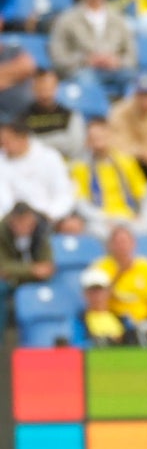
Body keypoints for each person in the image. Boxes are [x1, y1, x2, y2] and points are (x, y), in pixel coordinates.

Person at [48, 0, 137, 100]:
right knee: (86, 80)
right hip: (84, 71)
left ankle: (127, 118)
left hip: (116, 70)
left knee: (136, 81)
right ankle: (94, 117)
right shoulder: (66, 19)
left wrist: (117, 61)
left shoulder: (119, 18)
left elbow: (131, 54)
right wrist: (85, 60)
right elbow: (58, 57)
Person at [0, 120, 76, 229]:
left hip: (48, 216)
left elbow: (64, 192)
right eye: (2, 142)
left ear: (23, 138)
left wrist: (50, 214)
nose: (4, 146)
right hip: (11, 220)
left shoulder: (50, 157)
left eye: (7, 141)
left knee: (72, 226)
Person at [88, 224, 147, 323]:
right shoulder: (100, 267)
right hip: (114, 318)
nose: (122, 246)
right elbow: (98, 301)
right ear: (110, 245)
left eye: (124, 242)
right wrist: (119, 274)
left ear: (133, 244)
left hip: (144, 320)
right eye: (117, 243)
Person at [0, 202, 55, 331]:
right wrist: (32, 270)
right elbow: (2, 267)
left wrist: (17, 270)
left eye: (27, 224)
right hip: (10, 282)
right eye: (19, 224)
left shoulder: (42, 231)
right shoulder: (2, 232)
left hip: (35, 281)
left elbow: (47, 267)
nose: (23, 228)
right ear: (11, 222)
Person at [21, 69, 85, 162]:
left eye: (49, 87)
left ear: (56, 87)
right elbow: (24, 146)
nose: (46, 91)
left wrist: (41, 143)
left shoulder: (70, 115)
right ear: (33, 88)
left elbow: (76, 146)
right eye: (41, 87)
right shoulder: (23, 117)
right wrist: (61, 139)